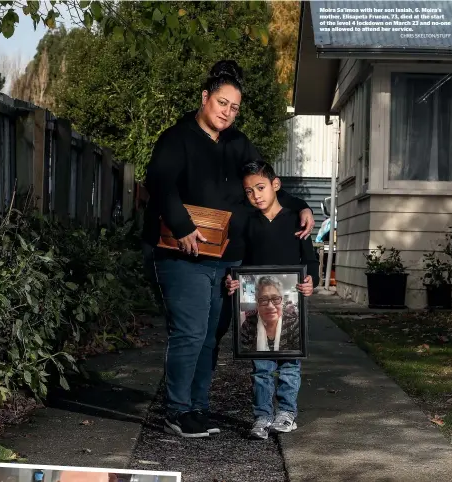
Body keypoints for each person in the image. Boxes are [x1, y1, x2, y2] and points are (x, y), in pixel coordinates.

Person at [142, 60, 315, 438]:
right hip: (182, 255)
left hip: (227, 259)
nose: (227, 112)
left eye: (234, 107)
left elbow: (263, 183)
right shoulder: (177, 138)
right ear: (205, 98)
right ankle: (177, 410)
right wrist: (182, 225)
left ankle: (198, 408)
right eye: (222, 103)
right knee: (189, 330)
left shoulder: (238, 143)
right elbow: (159, 182)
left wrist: (299, 204)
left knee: (210, 334)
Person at [226, 160, 319, 440]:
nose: (256, 195)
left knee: (290, 362)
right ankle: (262, 416)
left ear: (276, 185)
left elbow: (309, 257)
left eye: (261, 187)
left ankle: (287, 413)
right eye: (250, 191)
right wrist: (233, 280)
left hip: (291, 301)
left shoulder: (295, 219)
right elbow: (239, 261)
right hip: (258, 304)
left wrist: (311, 279)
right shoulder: (247, 222)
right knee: (261, 365)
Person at [239, 277, 300, 353]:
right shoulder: (248, 325)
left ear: (282, 302)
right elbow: (243, 358)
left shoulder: (293, 323)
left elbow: (297, 359)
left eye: (275, 299)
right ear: (257, 304)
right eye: (264, 300)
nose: (270, 306)